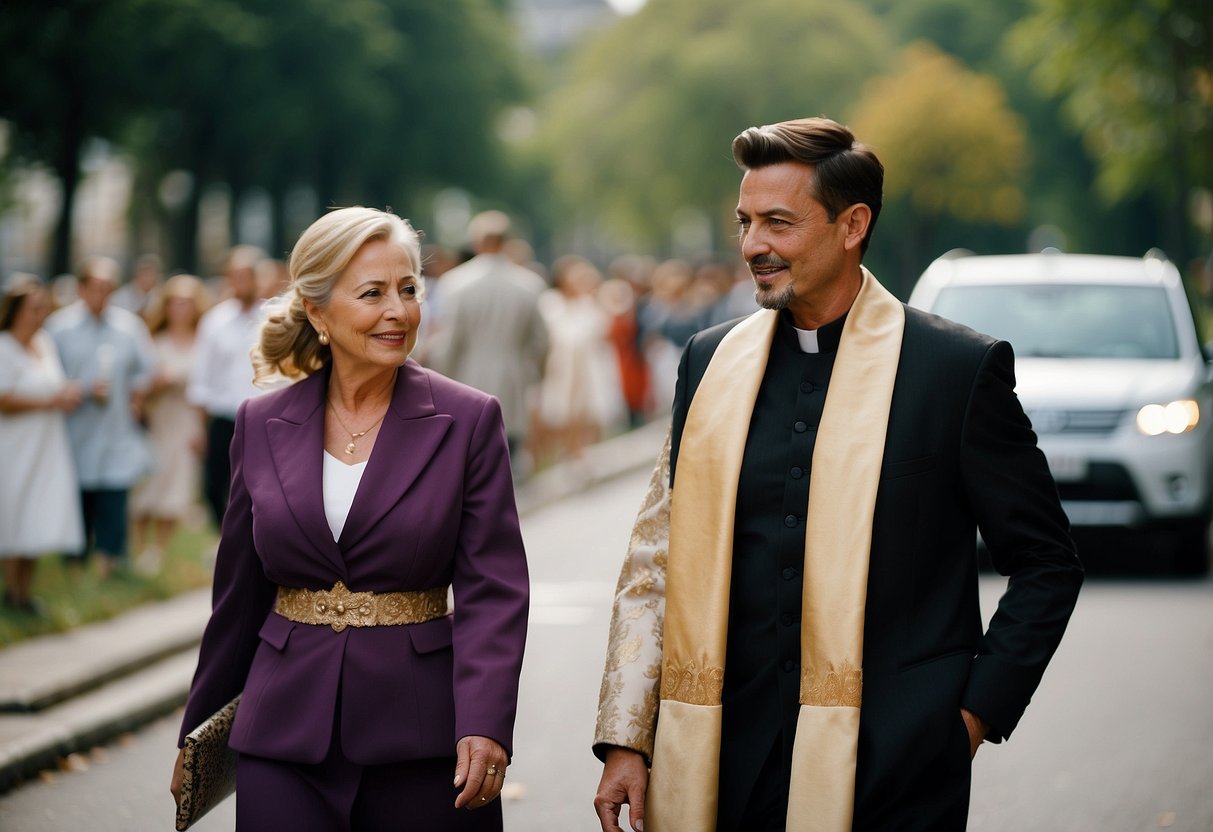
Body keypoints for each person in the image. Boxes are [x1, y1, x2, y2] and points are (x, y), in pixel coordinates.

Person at [591, 117, 1084, 832]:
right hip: (716, 763)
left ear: (852, 225)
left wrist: (969, 720)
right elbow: (653, 563)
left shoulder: (953, 371)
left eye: (778, 224)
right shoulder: (706, 361)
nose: (752, 245)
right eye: (745, 222)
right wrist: (626, 740)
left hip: (898, 767)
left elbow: (1046, 562)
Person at [171, 207, 530, 831]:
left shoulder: (469, 421)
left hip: (424, 740)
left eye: (409, 289)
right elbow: (236, 599)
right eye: (372, 293)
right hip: (281, 732)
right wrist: (195, 734)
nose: (398, 310)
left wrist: (484, 724)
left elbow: (493, 590)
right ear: (317, 312)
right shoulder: (260, 424)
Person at [47, 257, 157, 579]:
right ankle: (74, 562)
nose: (102, 295)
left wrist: (136, 395)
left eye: (108, 289)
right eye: (96, 288)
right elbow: (48, 375)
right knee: (78, 494)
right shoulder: (60, 327)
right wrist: (79, 389)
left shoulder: (128, 327)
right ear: (81, 289)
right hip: (75, 427)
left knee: (113, 492)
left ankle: (109, 562)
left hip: (115, 427)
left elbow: (147, 369)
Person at [426, 210, 549, 468]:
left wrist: (440, 383)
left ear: (476, 242)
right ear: (507, 242)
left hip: (467, 379)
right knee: (509, 457)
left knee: (471, 459)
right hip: (514, 380)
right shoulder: (529, 284)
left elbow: (450, 342)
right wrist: (533, 376)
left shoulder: (456, 283)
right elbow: (541, 342)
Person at [0, 277, 85, 613]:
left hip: (46, 443)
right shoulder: (4, 346)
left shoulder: (46, 343)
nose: (41, 314)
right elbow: (3, 399)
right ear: (17, 311)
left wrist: (67, 394)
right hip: (15, 444)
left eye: (43, 307)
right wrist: (50, 402)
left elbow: (55, 385)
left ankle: (25, 590)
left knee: (37, 509)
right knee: (14, 508)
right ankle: (11, 590)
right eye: (35, 308)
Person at [129, 274, 211, 574]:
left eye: (188, 303)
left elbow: (207, 389)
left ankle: (158, 550)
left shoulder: (204, 341)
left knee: (178, 485)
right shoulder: (154, 341)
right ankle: (138, 545)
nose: (182, 308)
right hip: (158, 419)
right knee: (150, 483)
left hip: (187, 420)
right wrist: (157, 384)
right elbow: (138, 387)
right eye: (176, 302)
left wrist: (202, 429)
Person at [187, 245, 267, 529]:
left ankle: (253, 539)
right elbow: (201, 377)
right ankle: (226, 535)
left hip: (262, 417)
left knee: (257, 485)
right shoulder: (214, 321)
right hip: (224, 417)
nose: (241, 282)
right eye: (235, 276)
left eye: (247, 275)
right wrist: (198, 427)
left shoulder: (274, 319)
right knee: (214, 485)